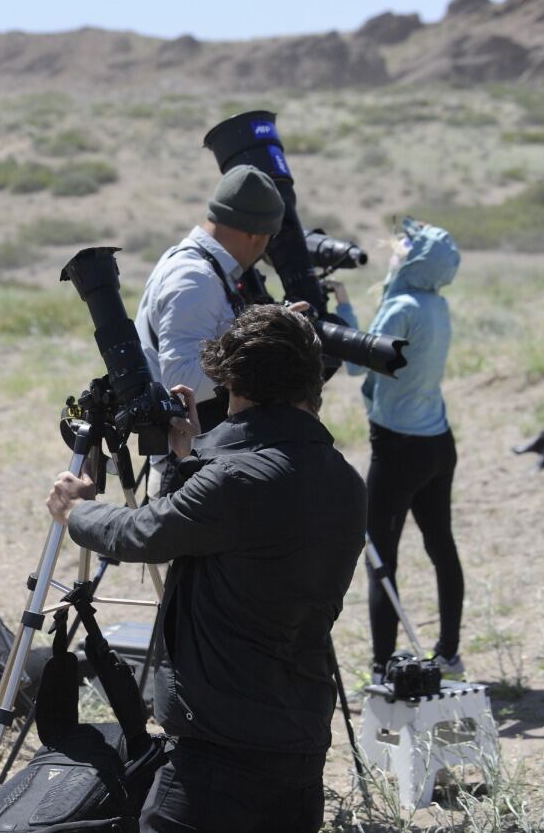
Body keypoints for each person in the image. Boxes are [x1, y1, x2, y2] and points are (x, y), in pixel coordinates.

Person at [47, 305, 366, 833]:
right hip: (297, 736)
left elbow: (140, 533)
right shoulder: (342, 479)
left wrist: (76, 510)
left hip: (220, 751)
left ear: (233, 385)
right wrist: (188, 455)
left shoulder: (235, 481)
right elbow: (235, 529)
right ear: (314, 382)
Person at [334, 218, 464, 682]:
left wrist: (344, 310)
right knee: (441, 546)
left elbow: (355, 366)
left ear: (418, 263)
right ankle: (448, 652)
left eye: (403, 249)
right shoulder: (436, 304)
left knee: (380, 558)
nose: (394, 253)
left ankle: (382, 669)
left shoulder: (401, 305)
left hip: (397, 450)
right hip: (437, 442)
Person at [136, 165, 285, 429]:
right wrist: (263, 346)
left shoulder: (200, 265)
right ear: (253, 234)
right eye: (269, 239)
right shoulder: (196, 278)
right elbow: (181, 381)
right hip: (191, 453)